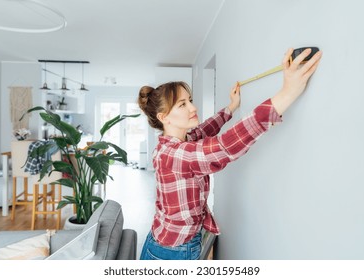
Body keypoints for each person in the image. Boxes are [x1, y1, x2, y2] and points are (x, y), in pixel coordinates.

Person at [137, 48, 322, 260]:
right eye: (182, 104)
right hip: (171, 251)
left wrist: (231, 108)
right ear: (164, 117)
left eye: (189, 100)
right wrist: (287, 94)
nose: (192, 107)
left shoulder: (180, 140)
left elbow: (204, 129)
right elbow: (224, 147)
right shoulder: (173, 154)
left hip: (168, 241)